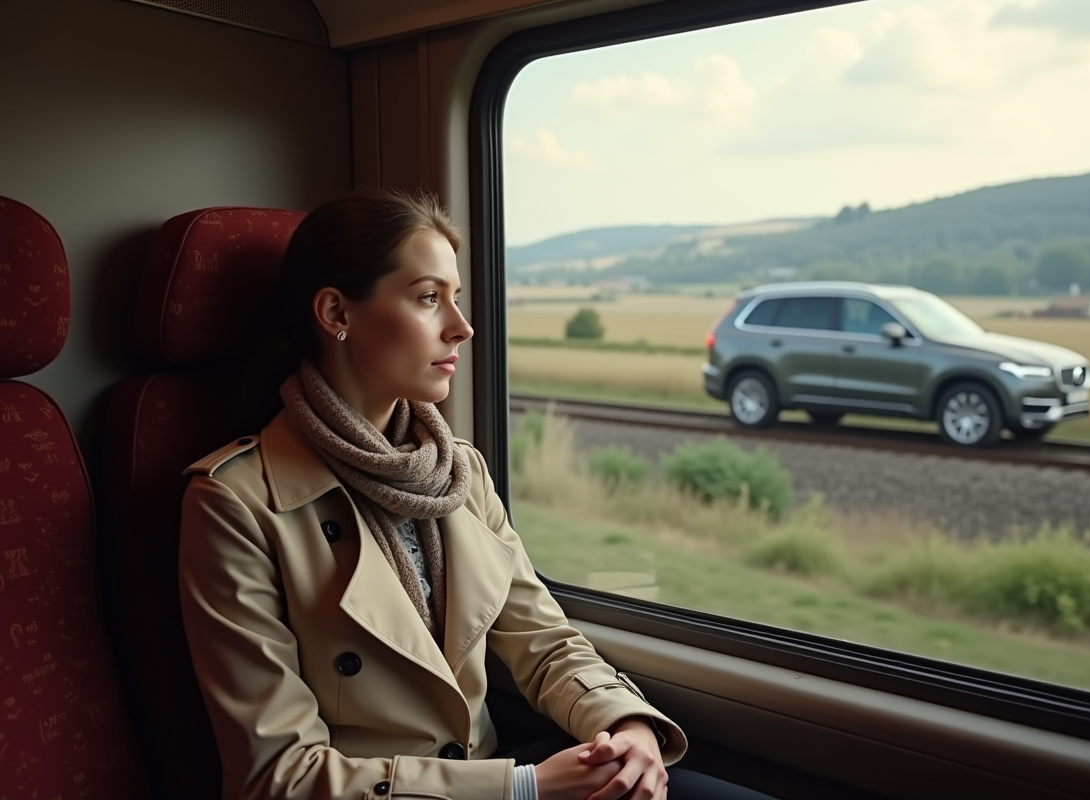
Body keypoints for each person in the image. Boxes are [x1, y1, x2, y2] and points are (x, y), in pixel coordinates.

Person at [179, 189, 778, 800]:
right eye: (428, 297)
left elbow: (543, 642)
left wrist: (624, 725)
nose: (461, 327)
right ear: (337, 312)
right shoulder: (236, 502)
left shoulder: (458, 472)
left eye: (456, 298)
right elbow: (278, 776)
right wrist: (521, 788)